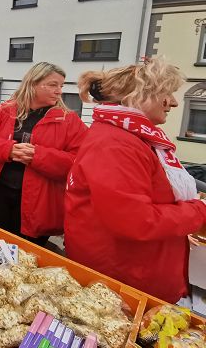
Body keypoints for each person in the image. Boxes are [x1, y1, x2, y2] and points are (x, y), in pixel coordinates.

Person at [65, 58, 206, 303]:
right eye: (167, 93)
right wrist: (198, 211)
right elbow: (136, 221)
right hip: (123, 281)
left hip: (131, 273)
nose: (173, 102)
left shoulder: (130, 137)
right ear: (139, 95)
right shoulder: (116, 144)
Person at [0, 62, 87, 246]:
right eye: (53, 85)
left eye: (61, 85)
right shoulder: (3, 112)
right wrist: (7, 150)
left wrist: (38, 156)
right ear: (33, 83)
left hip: (39, 204)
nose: (59, 91)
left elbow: (80, 162)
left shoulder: (69, 121)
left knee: (27, 255)